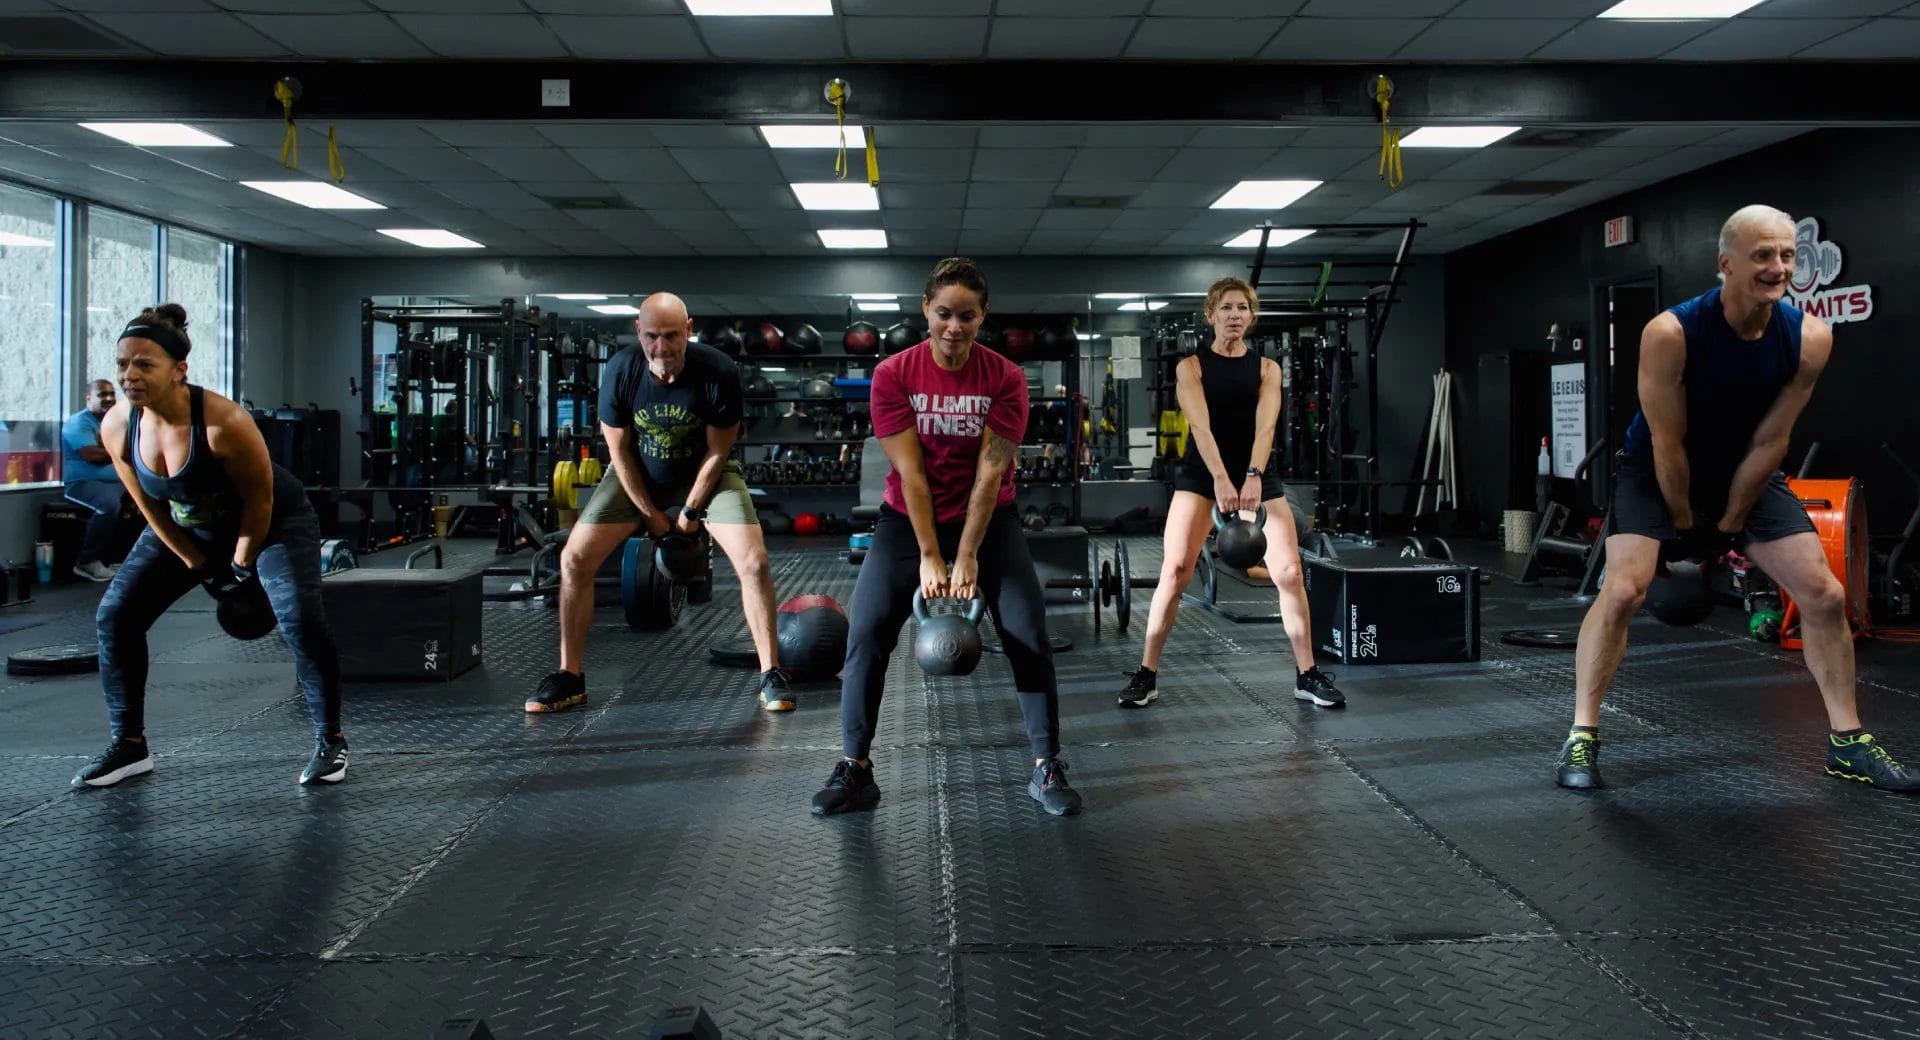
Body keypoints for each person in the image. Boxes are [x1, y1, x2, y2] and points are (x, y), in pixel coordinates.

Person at [1556, 204, 1917, 792]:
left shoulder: (1809, 336)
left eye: (1787, 255)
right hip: (1656, 470)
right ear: (1726, 263)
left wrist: (1728, 525)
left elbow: (1772, 439)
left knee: (1824, 594)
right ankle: (1581, 735)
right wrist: (1686, 533)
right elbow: (1668, 444)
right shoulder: (1670, 333)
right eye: (1762, 256)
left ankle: (1849, 743)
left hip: (1745, 471)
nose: (1778, 268)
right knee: (1624, 589)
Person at [812, 257, 1081, 818]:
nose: (953, 328)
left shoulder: (1004, 378)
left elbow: (990, 475)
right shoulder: (894, 375)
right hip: (907, 519)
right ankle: (856, 768)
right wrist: (931, 554)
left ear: (982, 317)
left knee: (1028, 631)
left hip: (990, 518)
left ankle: (1046, 763)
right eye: (943, 314)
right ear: (925, 310)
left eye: (967, 317)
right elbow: (911, 475)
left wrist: (966, 557)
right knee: (865, 632)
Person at [76, 304, 349, 789]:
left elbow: (259, 503)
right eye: (122, 364)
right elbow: (149, 506)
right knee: (115, 616)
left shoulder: (225, 423)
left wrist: (241, 568)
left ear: (179, 370)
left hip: (270, 523)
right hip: (188, 525)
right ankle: (129, 747)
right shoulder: (119, 425)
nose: (128, 376)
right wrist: (200, 566)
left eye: (144, 364)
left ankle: (330, 740)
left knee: (300, 619)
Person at [529, 292, 790, 714]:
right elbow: (619, 452)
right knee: (574, 560)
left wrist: (688, 514)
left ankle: (770, 673)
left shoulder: (717, 371)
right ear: (638, 332)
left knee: (755, 562)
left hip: (705, 474)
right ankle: (569, 677)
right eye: (652, 336)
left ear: (689, 330)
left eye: (671, 336)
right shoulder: (621, 371)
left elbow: (717, 454)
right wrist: (651, 515)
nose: (662, 347)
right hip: (637, 474)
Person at [1114, 277, 1345, 711]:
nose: (1235, 316)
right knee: (1177, 569)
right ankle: (1146, 674)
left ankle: (1307, 674)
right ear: (1210, 315)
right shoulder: (1191, 367)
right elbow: (1199, 427)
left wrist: (1253, 474)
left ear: (1252, 317)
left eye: (1243, 308)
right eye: (1226, 308)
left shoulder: (1267, 369)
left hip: (1259, 470)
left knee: (1290, 573)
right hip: (1203, 472)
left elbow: (1266, 426)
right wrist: (1222, 478)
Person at [62, 379, 129, 581]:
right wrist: (121, 451)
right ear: (88, 398)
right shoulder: (78, 422)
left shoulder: (114, 421)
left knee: (151, 497)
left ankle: (124, 559)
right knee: (108, 504)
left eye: (111, 394)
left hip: (118, 483)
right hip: (82, 484)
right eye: (102, 395)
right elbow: (92, 456)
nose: (108, 398)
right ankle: (87, 562)